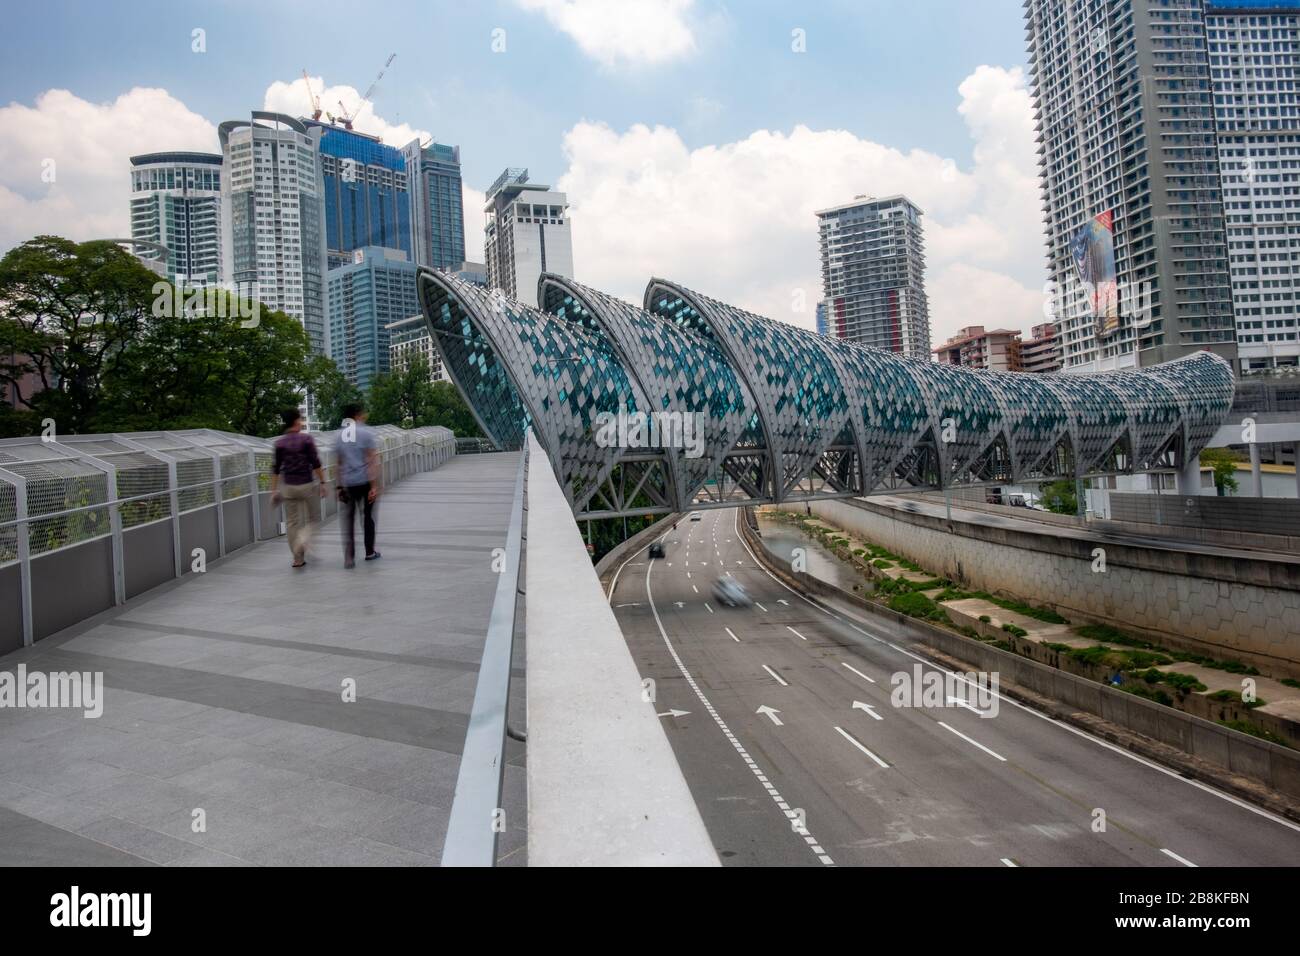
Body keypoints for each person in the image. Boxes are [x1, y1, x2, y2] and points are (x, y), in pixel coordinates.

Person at [270, 408, 326, 568]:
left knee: (292, 523)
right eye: (300, 419)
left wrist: (274, 491)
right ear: (295, 421)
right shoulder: (307, 440)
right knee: (313, 519)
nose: (301, 422)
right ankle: (302, 541)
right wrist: (323, 482)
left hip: (288, 487)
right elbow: (316, 463)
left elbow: (275, 469)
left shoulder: (279, 443)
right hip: (306, 485)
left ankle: (297, 559)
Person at [336, 402, 382, 568]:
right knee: (368, 518)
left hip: (348, 484)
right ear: (357, 415)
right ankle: (370, 552)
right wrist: (374, 486)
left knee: (348, 520)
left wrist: (339, 486)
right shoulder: (366, 433)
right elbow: (371, 461)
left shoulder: (338, 435)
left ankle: (349, 558)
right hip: (364, 482)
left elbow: (339, 464)